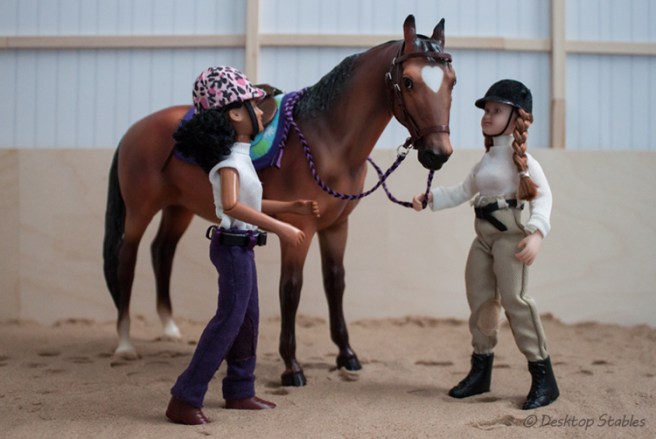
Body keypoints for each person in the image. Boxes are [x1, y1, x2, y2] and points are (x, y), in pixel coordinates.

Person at [165, 66, 320, 425]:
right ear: (236, 114)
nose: (263, 111)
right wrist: (281, 227)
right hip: (232, 247)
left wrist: (292, 207)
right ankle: (184, 397)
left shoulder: (241, 156)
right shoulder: (229, 163)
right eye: (255, 104)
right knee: (228, 321)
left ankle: (239, 389)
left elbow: (251, 203)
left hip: (243, 247)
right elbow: (233, 206)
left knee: (248, 321)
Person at [412, 79, 559, 410]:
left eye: (496, 110)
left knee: (516, 301)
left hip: (511, 238)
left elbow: (544, 197)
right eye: (487, 110)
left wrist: (537, 232)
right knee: (480, 301)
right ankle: (481, 369)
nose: (488, 116)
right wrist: (431, 198)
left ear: (517, 117)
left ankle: (543, 375)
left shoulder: (525, 162)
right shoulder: (486, 161)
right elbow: (463, 191)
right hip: (484, 240)